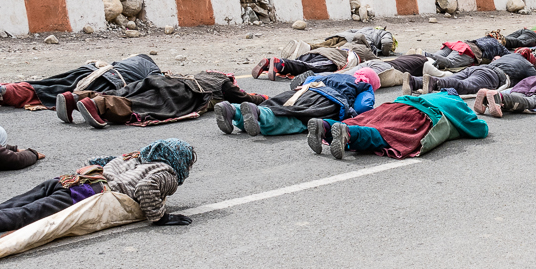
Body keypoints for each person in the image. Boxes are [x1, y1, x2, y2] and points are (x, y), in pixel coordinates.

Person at [0, 138, 194, 251]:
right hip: (85, 193)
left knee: (5, 207)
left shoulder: (134, 158)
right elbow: (145, 190)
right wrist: (160, 217)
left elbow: (99, 158)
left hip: (67, 181)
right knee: (16, 218)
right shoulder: (166, 172)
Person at [307, 91, 489, 159]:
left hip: (394, 105)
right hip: (418, 116)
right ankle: (350, 133)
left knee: (366, 119)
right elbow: (478, 129)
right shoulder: (457, 103)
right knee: (388, 134)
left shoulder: (427, 95)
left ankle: (324, 126)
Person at [56, 71, 268, 129]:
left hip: (166, 79)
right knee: (144, 104)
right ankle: (98, 105)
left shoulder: (202, 73)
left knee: (128, 92)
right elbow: (242, 98)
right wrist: (263, 98)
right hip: (181, 93)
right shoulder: (223, 82)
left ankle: (75, 98)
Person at [215, 69, 376, 137]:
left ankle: (232, 110)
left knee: (275, 104)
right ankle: (258, 113)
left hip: (304, 90)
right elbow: (363, 107)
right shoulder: (364, 86)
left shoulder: (335, 75)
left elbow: (310, 78)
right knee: (292, 118)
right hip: (327, 100)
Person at [0, 54, 162, 111]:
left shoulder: (132, 60)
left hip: (92, 71)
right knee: (50, 94)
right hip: (105, 81)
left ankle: (2, 89)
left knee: (49, 83)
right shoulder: (150, 68)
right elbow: (156, 83)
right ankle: (1, 91)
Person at [404, 50, 536, 95]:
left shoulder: (508, 55)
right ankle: (435, 82)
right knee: (465, 86)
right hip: (492, 75)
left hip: (477, 68)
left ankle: (413, 81)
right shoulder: (527, 65)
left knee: (456, 77)